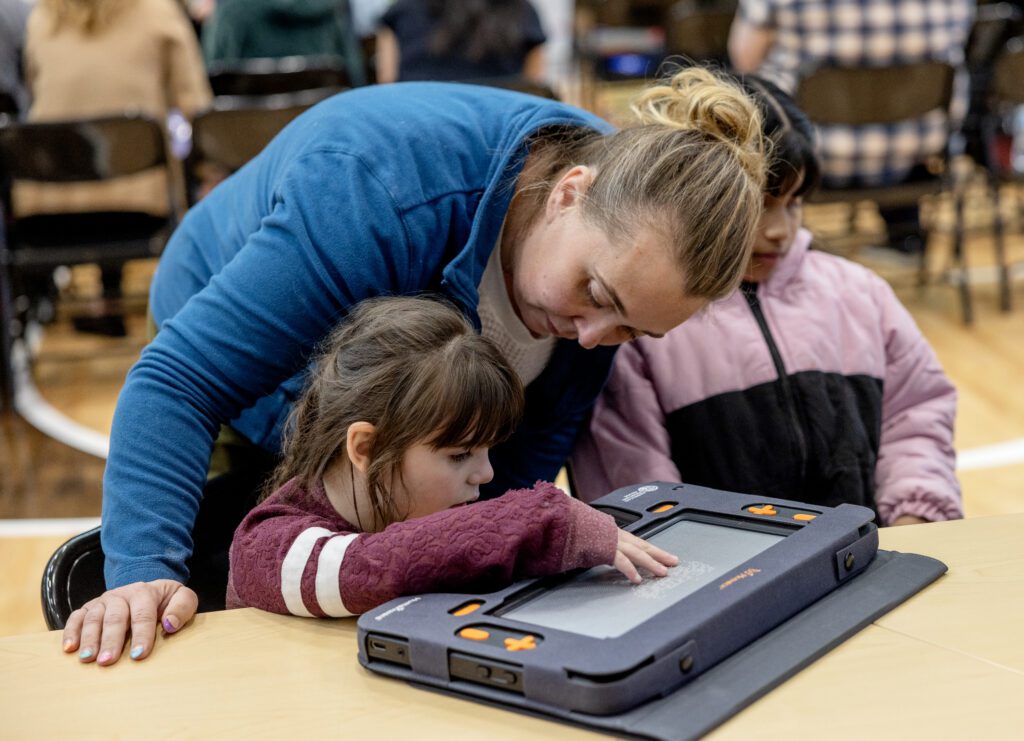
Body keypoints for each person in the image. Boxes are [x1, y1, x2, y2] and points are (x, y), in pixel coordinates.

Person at [61, 67, 768, 665]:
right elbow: (180, 383)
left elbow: (502, 488)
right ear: (568, 193)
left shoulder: (616, 244)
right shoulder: (378, 191)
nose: (590, 339)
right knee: (257, 589)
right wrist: (143, 573)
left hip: (392, 382)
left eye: (630, 332)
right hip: (237, 360)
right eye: (594, 295)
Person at [573, 75, 962, 527]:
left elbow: (917, 413)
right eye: (760, 204)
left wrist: (916, 515)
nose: (779, 230)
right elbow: (634, 479)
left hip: (871, 563)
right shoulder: (641, 324)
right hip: (725, 583)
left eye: (794, 202)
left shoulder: (861, 294)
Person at [227, 296, 678, 617]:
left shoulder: (408, 511)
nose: (485, 473)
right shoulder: (267, 546)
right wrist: (541, 521)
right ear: (366, 448)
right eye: (459, 454)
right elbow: (374, 565)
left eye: (486, 449)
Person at [16, 0, 211, 334]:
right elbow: (197, 108)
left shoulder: (41, 21)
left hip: (46, 219)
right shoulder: (161, 14)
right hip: (141, 215)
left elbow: (34, 96)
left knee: (90, 165)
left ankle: (100, 301)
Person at [727, 0, 974, 254]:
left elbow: (744, 60)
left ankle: (778, 247)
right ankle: (906, 234)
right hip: (918, 150)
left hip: (805, 155)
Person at [201, 0, 366, 87]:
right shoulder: (335, 9)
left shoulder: (231, 10)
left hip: (247, 141)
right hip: (320, 139)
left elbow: (208, 86)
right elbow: (355, 80)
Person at [375, 0, 546, 84]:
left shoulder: (401, 11)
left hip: (419, 129)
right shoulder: (523, 11)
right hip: (497, 137)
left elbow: (387, 80)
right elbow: (533, 86)